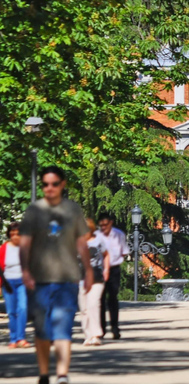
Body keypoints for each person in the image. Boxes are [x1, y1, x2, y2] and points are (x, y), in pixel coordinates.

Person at [20, 165, 93, 384]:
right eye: (45, 184)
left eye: (54, 184)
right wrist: (25, 271)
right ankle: (44, 374)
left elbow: (81, 243)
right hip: (39, 280)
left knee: (63, 327)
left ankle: (62, 374)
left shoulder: (72, 210)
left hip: (67, 279)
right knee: (42, 330)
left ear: (62, 185)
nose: (49, 188)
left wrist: (88, 270)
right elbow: (24, 245)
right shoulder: (34, 211)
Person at [78, 218, 109, 346]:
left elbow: (107, 254)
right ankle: (88, 335)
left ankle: (96, 335)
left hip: (96, 276)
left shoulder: (98, 241)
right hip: (81, 277)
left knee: (93, 303)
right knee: (84, 308)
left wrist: (106, 269)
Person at [98, 213, 129, 339]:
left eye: (106, 224)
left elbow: (124, 251)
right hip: (99, 270)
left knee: (113, 298)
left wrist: (116, 261)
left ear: (111, 222)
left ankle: (115, 328)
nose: (104, 227)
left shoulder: (119, 234)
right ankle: (101, 329)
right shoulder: (97, 235)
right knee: (99, 299)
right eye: (101, 225)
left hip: (114, 269)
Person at [1, 222, 31, 348]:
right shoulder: (4, 248)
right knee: (11, 311)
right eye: (12, 234)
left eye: (18, 234)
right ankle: (13, 339)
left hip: (22, 282)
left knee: (23, 308)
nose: (15, 236)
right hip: (8, 283)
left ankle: (21, 338)